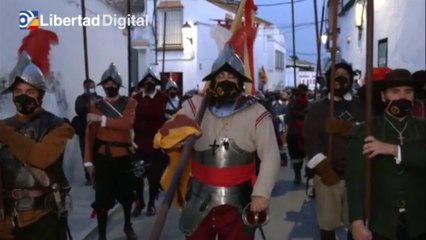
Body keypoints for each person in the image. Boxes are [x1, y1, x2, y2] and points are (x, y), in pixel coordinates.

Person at [154, 44, 280, 240]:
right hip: (199, 197)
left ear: (240, 81)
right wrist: (180, 131)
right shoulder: (194, 107)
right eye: (221, 76)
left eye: (231, 77)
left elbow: (271, 155)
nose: (226, 81)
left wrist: (261, 193)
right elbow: (164, 136)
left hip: (238, 201)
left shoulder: (256, 113)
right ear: (212, 80)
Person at [0, 29, 74, 240]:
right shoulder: (5, 126)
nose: (23, 97)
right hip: (8, 219)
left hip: (43, 216)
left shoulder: (59, 127)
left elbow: (42, 157)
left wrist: (4, 134)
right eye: (18, 92)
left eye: (30, 92)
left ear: (40, 95)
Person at [346, 69, 425, 240]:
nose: (402, 97)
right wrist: (357, 222)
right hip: (381, 223)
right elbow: (355, 182)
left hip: (420, 222)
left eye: (408, 91)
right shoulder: (364, 131)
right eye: (395, 92)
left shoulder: (422, 128)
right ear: (383, 96)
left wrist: (394, 150)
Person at [303, 62, 364, 240]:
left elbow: (368, 131)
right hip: (328, 174)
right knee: (328, 222)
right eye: (336, 74)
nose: (341, 77)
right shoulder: (317, 108)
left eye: (345, 73)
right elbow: (311, 141)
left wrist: (346, 128)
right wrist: (324, 168)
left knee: (355, 221)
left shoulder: (361, 106)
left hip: (355, 176)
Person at [84, 63, 138, 240]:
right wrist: (88, 161)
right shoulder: (96, 105)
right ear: (102, 86)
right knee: (102, 199)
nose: (110, 86)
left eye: (113, 83)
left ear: (118, 85)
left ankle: (128, 226)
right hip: (103, 157)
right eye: (106, 84)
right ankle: (101, 235)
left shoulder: (130, 103)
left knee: (127, 194)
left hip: (124, 157)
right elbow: (90, 135)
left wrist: (102, 119)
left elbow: (126, 124)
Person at [131, 66, 169, 217]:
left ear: (156, 82)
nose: (149, 82)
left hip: (156, 145)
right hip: (138, 144)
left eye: (152, 80)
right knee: (137, 177)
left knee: (154, 178)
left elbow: (170, 120)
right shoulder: (135, 100)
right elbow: (129, 120)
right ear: (142, 82)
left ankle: (151, 203)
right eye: (147, 80)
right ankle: (139, 202)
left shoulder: (163, 98)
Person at [71, 79, 100, 186]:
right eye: (88, 87)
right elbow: (78, 110)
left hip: (97, 131)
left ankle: (98, 175)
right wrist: (87, 105)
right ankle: (88, 176)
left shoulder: (100, 98)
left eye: (92, 86)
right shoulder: (80, 99)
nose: (90, 88)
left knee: (98, 154)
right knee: (85, 153)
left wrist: (95, 105)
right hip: (84, 131)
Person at [285, 84, 308, 185]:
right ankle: (301, 176)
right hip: (301, 134)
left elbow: (288, 119)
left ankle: (298, 176)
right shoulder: (308, 104)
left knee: (296, 157)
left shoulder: (292, 104)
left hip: (296, 134)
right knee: (302, 157)